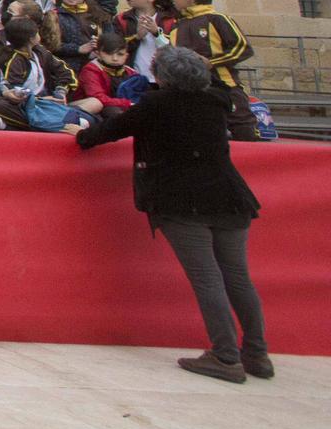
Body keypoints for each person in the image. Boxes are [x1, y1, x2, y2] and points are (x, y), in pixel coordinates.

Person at [75, 45, 269, 383]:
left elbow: (103, 134)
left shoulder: (156, 104)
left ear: (163, 77)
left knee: (207, 278)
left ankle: (225, 356)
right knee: (237, 277)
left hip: (182, 200)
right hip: (229, 196)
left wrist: (79, 135)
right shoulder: (217, 101)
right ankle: (257, 353)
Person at [169, 0, 259, 139]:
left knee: (242, 127)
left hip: (224, 85)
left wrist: (211, 63)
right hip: (190, 90)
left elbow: (243, 48)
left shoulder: (217, 19)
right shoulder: (177, 26)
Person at [0, 16, 89, 132]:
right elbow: (14, 90)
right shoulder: (13, 60)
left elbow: (65, 71)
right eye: (37, 33)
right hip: (29, 105)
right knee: (80, 122)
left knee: (88, 117)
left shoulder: (40, 52)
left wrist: (61, 90)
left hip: (49, 101)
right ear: (31, 39)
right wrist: (41, 99)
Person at [51, 0, 111, 73]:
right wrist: (78, 49)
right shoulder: (53, 15)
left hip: (95, 67)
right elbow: (50, 46)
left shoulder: (99, 15)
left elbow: (111, 39)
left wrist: (98, 47)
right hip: (64, 69)